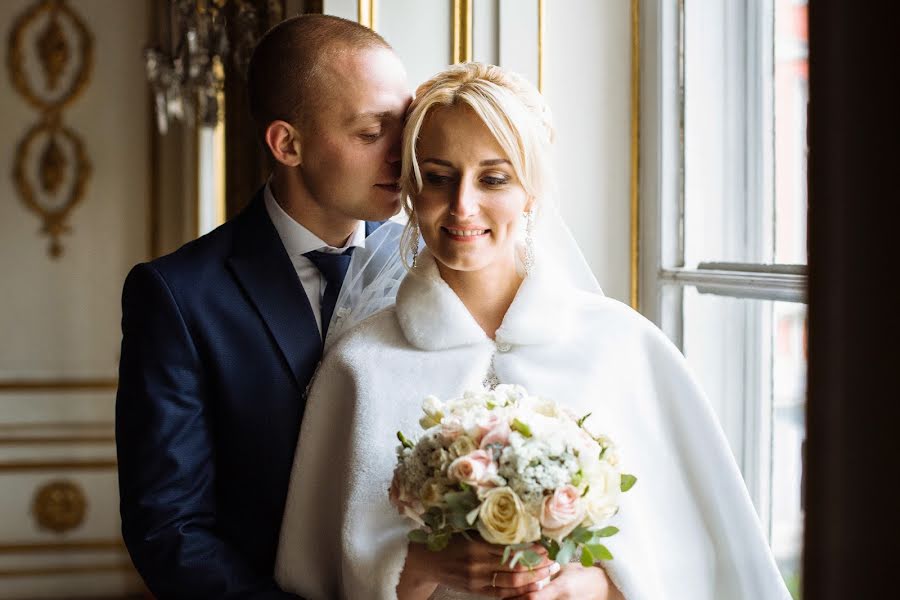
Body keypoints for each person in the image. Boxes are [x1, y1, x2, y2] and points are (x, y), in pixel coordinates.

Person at [274, 62, 793, 600]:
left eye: (493, 179)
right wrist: (420, 567)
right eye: (438, 177)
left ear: (532, 191)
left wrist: (595, 584)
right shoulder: (359, 364)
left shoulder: (623, 347)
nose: (463, 206)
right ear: (409, 187)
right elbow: (312, 574)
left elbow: (698, 561)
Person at [115, 15, 410, 598]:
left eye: (406, 126)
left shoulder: (430, 267)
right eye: (372, 133)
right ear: (287, 143)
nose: (402, 154)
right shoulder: (177, 295)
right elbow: (169, 528)